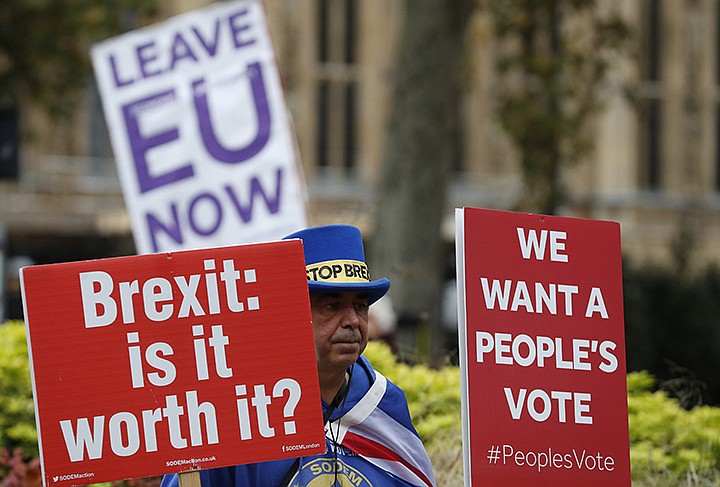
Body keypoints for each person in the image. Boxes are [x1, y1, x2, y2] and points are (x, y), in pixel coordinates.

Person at [160, 224, 435, 487]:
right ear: (290, 312)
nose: (352, 320)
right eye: (332, 305)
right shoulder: (236, 409)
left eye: (360, 306)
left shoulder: (385, 402)